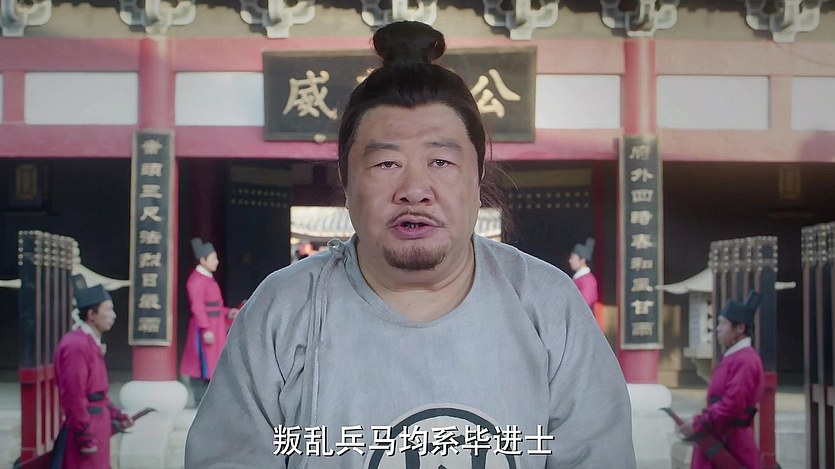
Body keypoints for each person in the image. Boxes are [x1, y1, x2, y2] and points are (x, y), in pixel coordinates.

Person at [186, 21, 634, 468]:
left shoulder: (548, 306)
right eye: (386, 163)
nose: (415, 190)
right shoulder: (283, 310)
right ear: (346, 179)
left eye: (440, 161)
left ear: (478, 175)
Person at [53, 274, 133, 468]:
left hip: (98, 426)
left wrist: (116, 415)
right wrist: (84, 436)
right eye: (108, 309)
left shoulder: (89, 342)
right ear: (91, 314)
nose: (113, 315)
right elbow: (74, 395)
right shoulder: (76, 345)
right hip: (88, 428)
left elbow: (99, 393)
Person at [679, 291, 766, 469]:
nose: (717, 328)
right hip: (717, 438)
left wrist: (698, 424)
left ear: (740, 328)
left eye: (723, 323)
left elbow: (732, 404)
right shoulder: (734, 357)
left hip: (731, 444)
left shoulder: (746, 360)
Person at [179, 237, 239, 407]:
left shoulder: (207, 279)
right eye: (213, 258)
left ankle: (208, 401)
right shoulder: (196, 281)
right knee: (201, 364)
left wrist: (228, 312)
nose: (217, 261)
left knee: (213, 364)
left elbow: (215, 306)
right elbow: (198, 307)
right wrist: (205, 328)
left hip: (216, 326)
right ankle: (200, 401)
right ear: (203, 260)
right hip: (205, 328)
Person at [568, 237, 598, 309]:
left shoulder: (587, 280)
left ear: (582, 260)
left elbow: (584, 305)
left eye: (573, 258)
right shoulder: (579, 278)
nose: (570, 261)